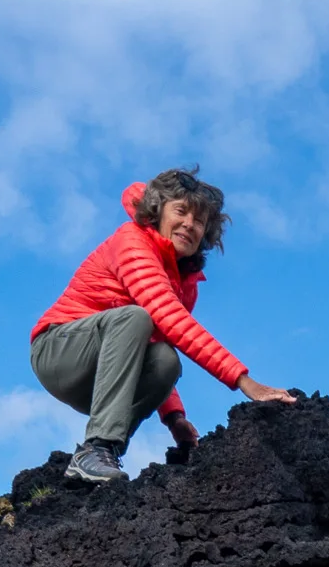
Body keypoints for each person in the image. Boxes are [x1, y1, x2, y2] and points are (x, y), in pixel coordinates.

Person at [28, 168, 296, 483]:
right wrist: (245, 382)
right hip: (59, 351)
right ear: (157, 212)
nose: (189, 225)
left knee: (166, 360)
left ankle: (99, 457)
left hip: (103, 373)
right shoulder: (132, 240)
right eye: (181, 212)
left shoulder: (184, 283)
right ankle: (97, 447)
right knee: (136, 317)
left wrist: (175, 419)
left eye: (199, 221)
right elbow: (166, 316)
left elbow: (156, 341)